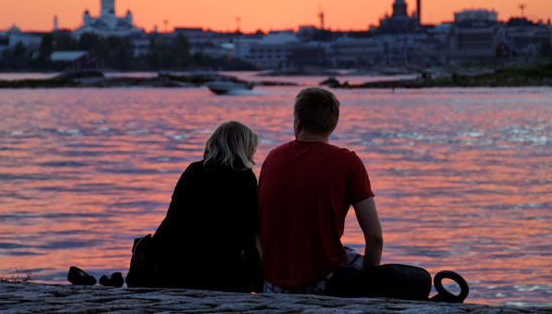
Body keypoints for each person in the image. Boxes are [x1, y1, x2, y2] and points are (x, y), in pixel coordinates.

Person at [257, 87, 383, 295]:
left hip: (273, 284)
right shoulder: (348, 162)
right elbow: (375, 237)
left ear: (298, 124)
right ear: (332, 126)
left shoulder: (272, 158)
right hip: (323, 282)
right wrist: (369, 287)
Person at [149, 121, 262, 292]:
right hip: (225, 272)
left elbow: (173, 219)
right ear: (242, 149)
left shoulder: (193, 171)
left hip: (180, 267)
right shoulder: (244, 178)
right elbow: (249, 228)